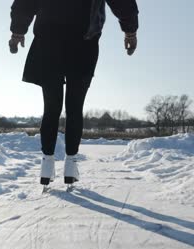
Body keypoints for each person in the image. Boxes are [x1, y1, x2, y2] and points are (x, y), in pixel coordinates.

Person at [9, 0, 139, 186]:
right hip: (83, 42)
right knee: (75, 107)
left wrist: (18, 31)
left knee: (51, 107)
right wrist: (130, 31)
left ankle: (47, 165)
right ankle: (70, 165)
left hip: (48, 42)